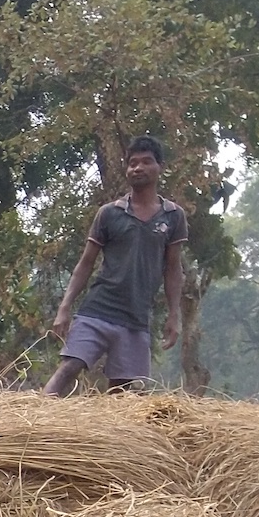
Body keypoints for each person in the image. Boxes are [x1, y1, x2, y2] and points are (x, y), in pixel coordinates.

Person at [45, 137, 189, 396]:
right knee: (70, 367)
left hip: (136, 318)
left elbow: (173, 268)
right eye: (132, 163)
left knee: (124, 394)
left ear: (160, 167)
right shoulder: (110, 213)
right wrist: (64, 308)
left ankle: (107, 437)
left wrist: (174, 315)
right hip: (98, 310)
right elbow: (85, 263)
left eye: (146, 162)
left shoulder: (173, 216)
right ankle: (33, 423)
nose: (138, 168)